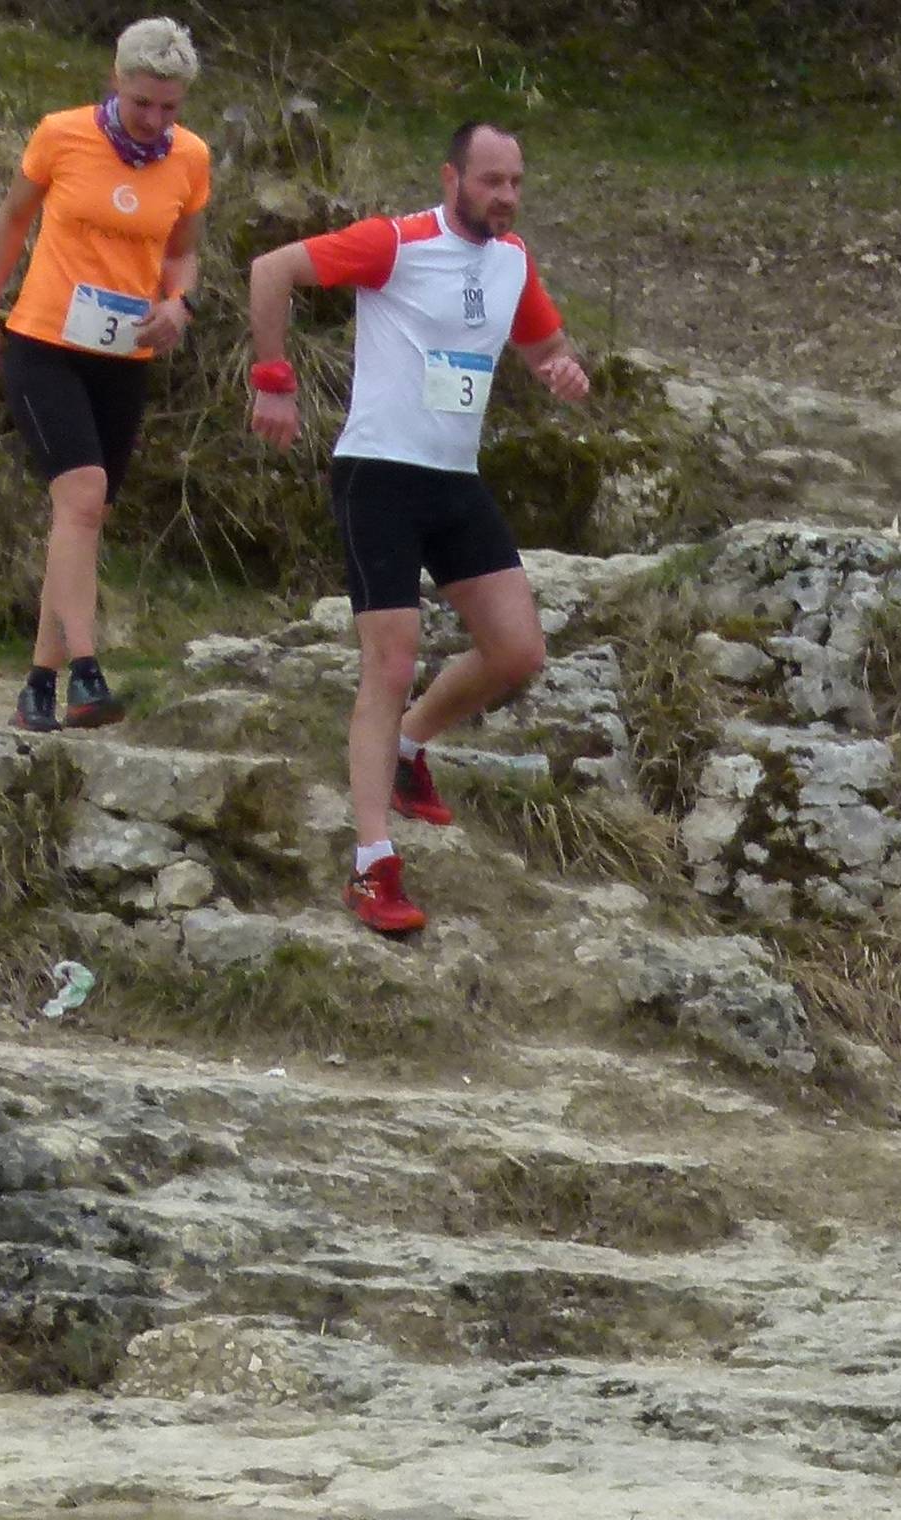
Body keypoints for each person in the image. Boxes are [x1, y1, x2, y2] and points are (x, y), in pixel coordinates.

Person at [241, 122, 591, 939]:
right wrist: (273, 379)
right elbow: (271, 270)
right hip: (381, 475)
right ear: (451, 178)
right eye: (491, 181)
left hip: (455, 479)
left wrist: (561, 370)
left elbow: (545, 346)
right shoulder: (395, 243)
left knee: (517, 651)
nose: (505, 197)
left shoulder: (512, 262)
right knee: (391, 662)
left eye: (516, 183)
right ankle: (372, 861)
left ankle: (407, 748)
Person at [0, 19, 213, 736]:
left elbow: (183, 254)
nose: (155, 120)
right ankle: (88, 671)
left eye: (169, 107)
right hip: (44, 342)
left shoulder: (191, 157)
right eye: (142, 103)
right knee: (81, 495)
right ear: (115, 81)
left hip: (123, 356)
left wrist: (179, 305)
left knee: (84, 517)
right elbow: (12, 222)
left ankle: (38, 686)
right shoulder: (62, 134)